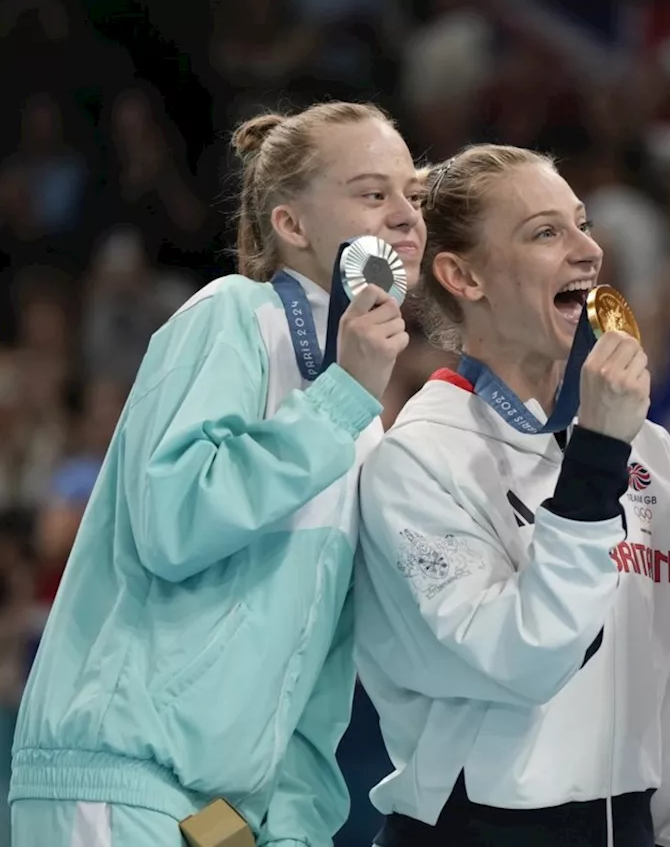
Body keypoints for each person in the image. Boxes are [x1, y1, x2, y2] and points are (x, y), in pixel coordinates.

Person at [9, 100, 425, 846]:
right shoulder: (231, 316)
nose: (405, 215)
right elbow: (174, 522)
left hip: (226, 817)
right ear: (292, 225)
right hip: (118, 785)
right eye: (373, 193)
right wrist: (340, 400)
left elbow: (319, 658)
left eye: (413, 196)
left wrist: (295, 827)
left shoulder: (360, 419)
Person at [354, 143, 670, 847]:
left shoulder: (646, 447)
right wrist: (595, 464)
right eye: (546, 232)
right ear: (462, 275)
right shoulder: (417, 460)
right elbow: (525, 659)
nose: (588, 250)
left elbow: (669, 672)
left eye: (581, 223)